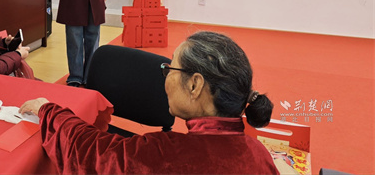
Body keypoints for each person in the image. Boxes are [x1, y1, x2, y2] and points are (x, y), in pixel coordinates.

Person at [20, 31, 278, 174]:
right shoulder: (259, 154)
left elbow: (92, 154)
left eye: (170, 68)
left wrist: (48, 110)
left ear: (195, 85)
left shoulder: (168, 156)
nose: (165, 77)